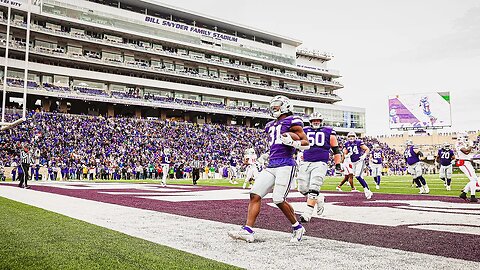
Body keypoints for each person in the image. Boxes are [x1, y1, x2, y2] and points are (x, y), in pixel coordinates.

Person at [228, 95, 310, 242]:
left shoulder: (293, 121)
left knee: (278, 199)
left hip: (286, 164)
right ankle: (248, 230)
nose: (274, 107)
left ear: (285, 105)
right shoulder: (270, 125)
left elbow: (306, 143)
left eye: (277, 104)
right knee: (254, 194)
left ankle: (297, 227)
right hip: (271, 164)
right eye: (272, 104)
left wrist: (293, 143)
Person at [297, 112, 342, 222]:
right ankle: (319, 198)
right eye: (313, 120)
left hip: (320, 162)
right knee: (302, 189)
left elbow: (336, 150)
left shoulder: (329, 131)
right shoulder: (305, 130)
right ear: (310, 121)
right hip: (306, 162)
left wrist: (338, 165)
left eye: (317, 120)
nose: (315, 122)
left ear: (321, 121)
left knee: (314, 186)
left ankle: (307, 214)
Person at [344, 132, 373, 199]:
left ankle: (366, 190)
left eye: (352, 136)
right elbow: (345, 152)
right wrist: (346, 155)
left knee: (357, 176)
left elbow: (367, 149)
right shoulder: (346, 144)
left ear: (355, 137)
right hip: (353, 162)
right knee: (359, 177)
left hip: (359, 161)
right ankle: (368, 189)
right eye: (350, 136)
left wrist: (364, 155)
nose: (351, 138)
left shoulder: (358, 142)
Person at [456, 133, 478, 202]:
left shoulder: (463, 143)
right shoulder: (459, 143)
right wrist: (471, 145)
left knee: (474, 179)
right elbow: (466, 152)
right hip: (464, 163)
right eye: (465, 137)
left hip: (467, 162)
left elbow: (468, 151)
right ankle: (472, 196)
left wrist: (472, 146)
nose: (466, 138)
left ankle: (464, 193)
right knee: (473, 180)